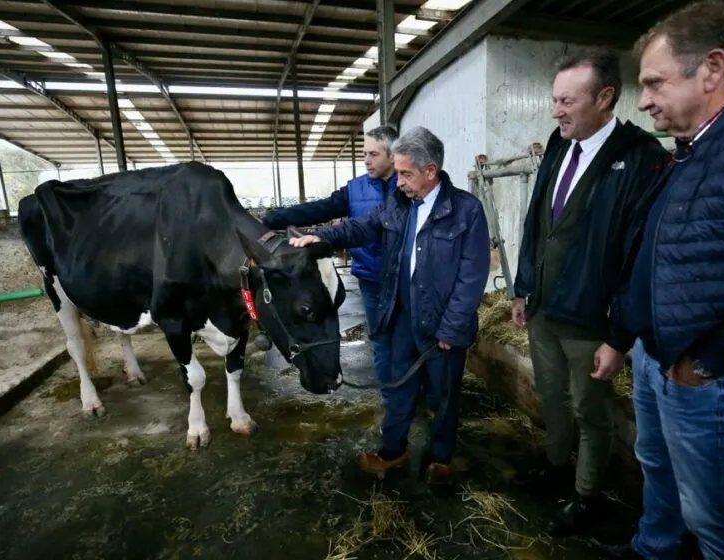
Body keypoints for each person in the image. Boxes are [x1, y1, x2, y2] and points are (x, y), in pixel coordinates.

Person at [594, 2, 724, 559]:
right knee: (657, 468)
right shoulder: (697, 146)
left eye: (654, 82)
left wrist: (704, 364)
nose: (643, 100)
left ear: (711, 68)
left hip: (715, 375)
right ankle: (654, 548)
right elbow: (654, 253)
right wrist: (625, 336)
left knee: (714, 515)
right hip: (659, 356)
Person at [509, 48, 669, 536]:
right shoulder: (559, 145)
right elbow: (536, 221)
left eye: (567, 101)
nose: (555, 111)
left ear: (605, 98)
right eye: (554, 100)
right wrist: (522, 288)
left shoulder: (641, 157)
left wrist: (618, 335)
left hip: (590, 318)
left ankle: (586, 494)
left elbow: (638, 252)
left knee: (589, 408)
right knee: (551, 395)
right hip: (543, 307)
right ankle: (556, 464)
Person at [288, 126, 490, 485]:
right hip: (401, 315)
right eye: (397, 172)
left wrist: (452, 326)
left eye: (406, 174)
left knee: (443, 396)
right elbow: (362, 227)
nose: (399, 181)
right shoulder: (399, 202)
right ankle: (393, 449)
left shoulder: (465, 210)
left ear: (431, 171)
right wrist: (321, 237)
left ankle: (441, 457)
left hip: (442, 325)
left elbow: (472, 276)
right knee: (398, 388)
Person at [262, 125, 398, 392]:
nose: (366, 160)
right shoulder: (355, 189)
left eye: (373, 154)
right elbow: (320, 208)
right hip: (371, 279)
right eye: (364, 153)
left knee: (410, 338)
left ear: (392, 156)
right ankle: (391, 398)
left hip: (405, 279)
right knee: (381, 341)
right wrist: (273, 218)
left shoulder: (407, 185)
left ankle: (416, 390)